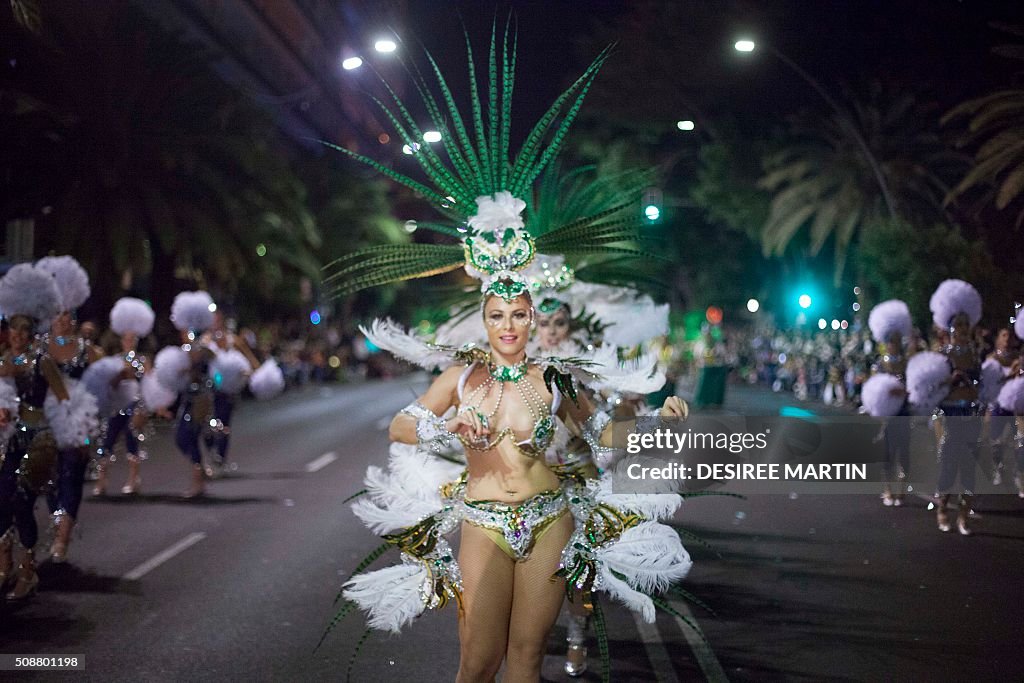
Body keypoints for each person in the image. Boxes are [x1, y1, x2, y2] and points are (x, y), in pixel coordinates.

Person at [0, 264, 97, 597]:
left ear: (30, 335)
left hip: (39, 438)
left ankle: (29, 569)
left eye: (23, 334)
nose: (17, 338)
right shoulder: (1, 362)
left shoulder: (42, 361)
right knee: (2, 500)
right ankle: (4, 565)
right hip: (7, 440)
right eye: (12, 333)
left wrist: (76, 433)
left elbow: (66, 398)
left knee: (23, 501)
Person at [35, 256, 102, 562]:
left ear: (73, 318)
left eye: (67, 315)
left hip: (77, 425)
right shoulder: (39, 349)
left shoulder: (87, 350)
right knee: (50, 479)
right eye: (57, 315)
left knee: (72, 476)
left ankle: (62, 539)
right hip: (45, 425)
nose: (62, 319)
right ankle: (59, 520)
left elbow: (104, 384)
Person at [928, 280, 985, 535]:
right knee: (949, 464)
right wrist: (951, 380)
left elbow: (984, 387)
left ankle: (963, 516)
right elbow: (933, 388)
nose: (962, 328)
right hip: (948, 413)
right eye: (957, 324)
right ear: (949, 327)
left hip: (970, 411)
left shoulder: (976, 354)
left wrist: (974, 389)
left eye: (965, 324)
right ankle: (942, 509)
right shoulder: (942, 355)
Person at [88, 297, 156, 496]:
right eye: (126, 337)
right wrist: (119, 375)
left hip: (135, 404)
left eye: (132, 337)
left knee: (132, 441)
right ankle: (102, 481)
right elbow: (108, 383)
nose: (129, 340)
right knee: (106, 441)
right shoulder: (114, 360)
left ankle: (134, 479)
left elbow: (150, 383)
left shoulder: (144, 360)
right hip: (116, 405)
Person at [865, 300, 913, 506]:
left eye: (896, 339)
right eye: (889, 339)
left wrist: (905, 392)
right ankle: (887, 490)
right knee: (887, 453)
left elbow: (914, 387)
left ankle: (901, 489)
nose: (893, 343)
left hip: (903, 410)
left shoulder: (908, 363)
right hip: (885, 414)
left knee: (904, 450)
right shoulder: (879, 364)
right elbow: (873, 388)